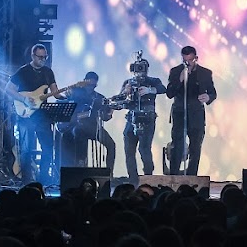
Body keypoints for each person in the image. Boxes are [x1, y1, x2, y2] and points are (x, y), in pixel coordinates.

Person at [7, 43, 60, 184]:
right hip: (26, 115)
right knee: (26, 149)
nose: (43, 60)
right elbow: (9, 89)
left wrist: (65, 94)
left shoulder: (48, 72)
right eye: (40, 57)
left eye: (45, 57)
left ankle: (43, 179)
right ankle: (27, 181)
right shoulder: (23, 71)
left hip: (42, 115)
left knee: (48, 147)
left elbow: (55, 92)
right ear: (32, 56)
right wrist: (23, 99)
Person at [166, 46, 216, 175]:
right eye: (184, 60)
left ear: (196, 58)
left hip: (196, 114)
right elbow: (169, 93)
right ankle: (174, 176)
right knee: (177, 145)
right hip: (179, 113)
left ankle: (192, 176)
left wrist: (208, 97)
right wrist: (180, 80)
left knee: (195, 146)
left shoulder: (205, 73)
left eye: (190, 60)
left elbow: (213, 93)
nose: (187, 63)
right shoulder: (175, 71)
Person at [117, 54, 167, 183]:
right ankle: (133, 180)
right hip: (131, 118)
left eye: (142, 68)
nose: (140, 71)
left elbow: (163, 89)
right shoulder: (128, 82)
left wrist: (149, 90)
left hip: (147, 119)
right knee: (129, 151)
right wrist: (125, 92)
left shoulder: (153, 81)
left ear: (147, 69)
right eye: (137, 68)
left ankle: (147, 178)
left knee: (144, 149)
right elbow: (120, 101)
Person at [62, 71, 116, 177]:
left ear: (96, 84)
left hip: (93, 127)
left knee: (111, 144)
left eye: (93, 83)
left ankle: (109, 174)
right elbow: (65, 103)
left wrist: (109, 112)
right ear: (84, 81)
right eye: (89, 82)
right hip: (76, 126)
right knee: (78, 134)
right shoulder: (75, 92)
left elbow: (105, 118)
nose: (91, 85)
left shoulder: (99, 98)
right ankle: (80, 166)